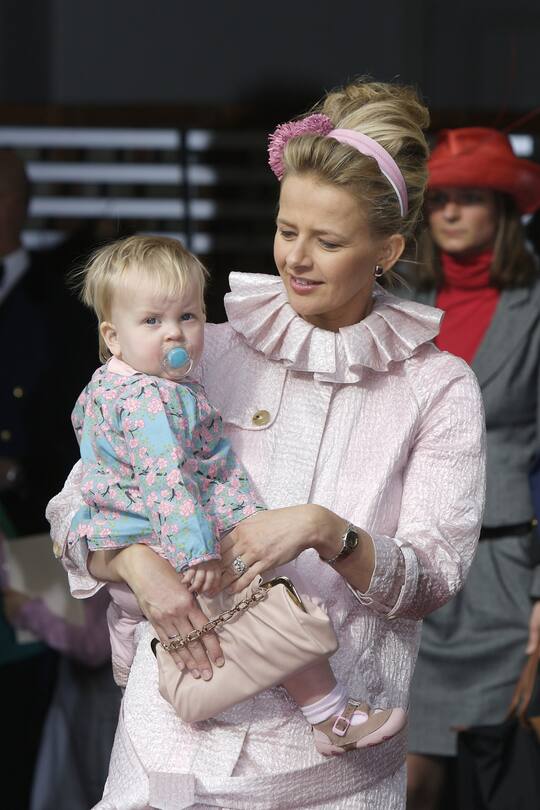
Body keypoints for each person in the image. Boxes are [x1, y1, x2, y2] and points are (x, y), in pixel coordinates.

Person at [47, 80, 486, 809]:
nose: (297, 259)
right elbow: (73, 509)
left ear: (388, 250)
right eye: (288, 231)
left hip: (327, 778)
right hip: (164, 758)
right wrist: (135, 562)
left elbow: (433, 578)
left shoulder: (436, 388)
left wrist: (323, 530)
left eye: (330, 241)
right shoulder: (197, 347)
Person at [66, 233, 406, 750]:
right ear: (113, 336)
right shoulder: (152, 399)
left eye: (188, 317)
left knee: (136, 624)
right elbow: (168, 482)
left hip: (125, 540)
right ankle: (330, 717)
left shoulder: (106, 386)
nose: (174, 336)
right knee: (270, 609)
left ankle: (131, 667)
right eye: (152, 322)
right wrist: (197, 550)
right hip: (171, 542)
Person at [402, 127, 540, 810]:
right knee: (407, 784)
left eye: (470, 198)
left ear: (504, 209)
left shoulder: (534, 308)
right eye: (439, 200)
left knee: (503, 785)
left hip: (506, 577)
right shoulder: (400, 305)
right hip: (415, 573)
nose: (450, 212)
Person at [0, 148, 96, 810]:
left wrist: (17, 468)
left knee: (24, 712)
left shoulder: (62, 305)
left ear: (20, 203)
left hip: (32, 531)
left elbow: (83, 429)